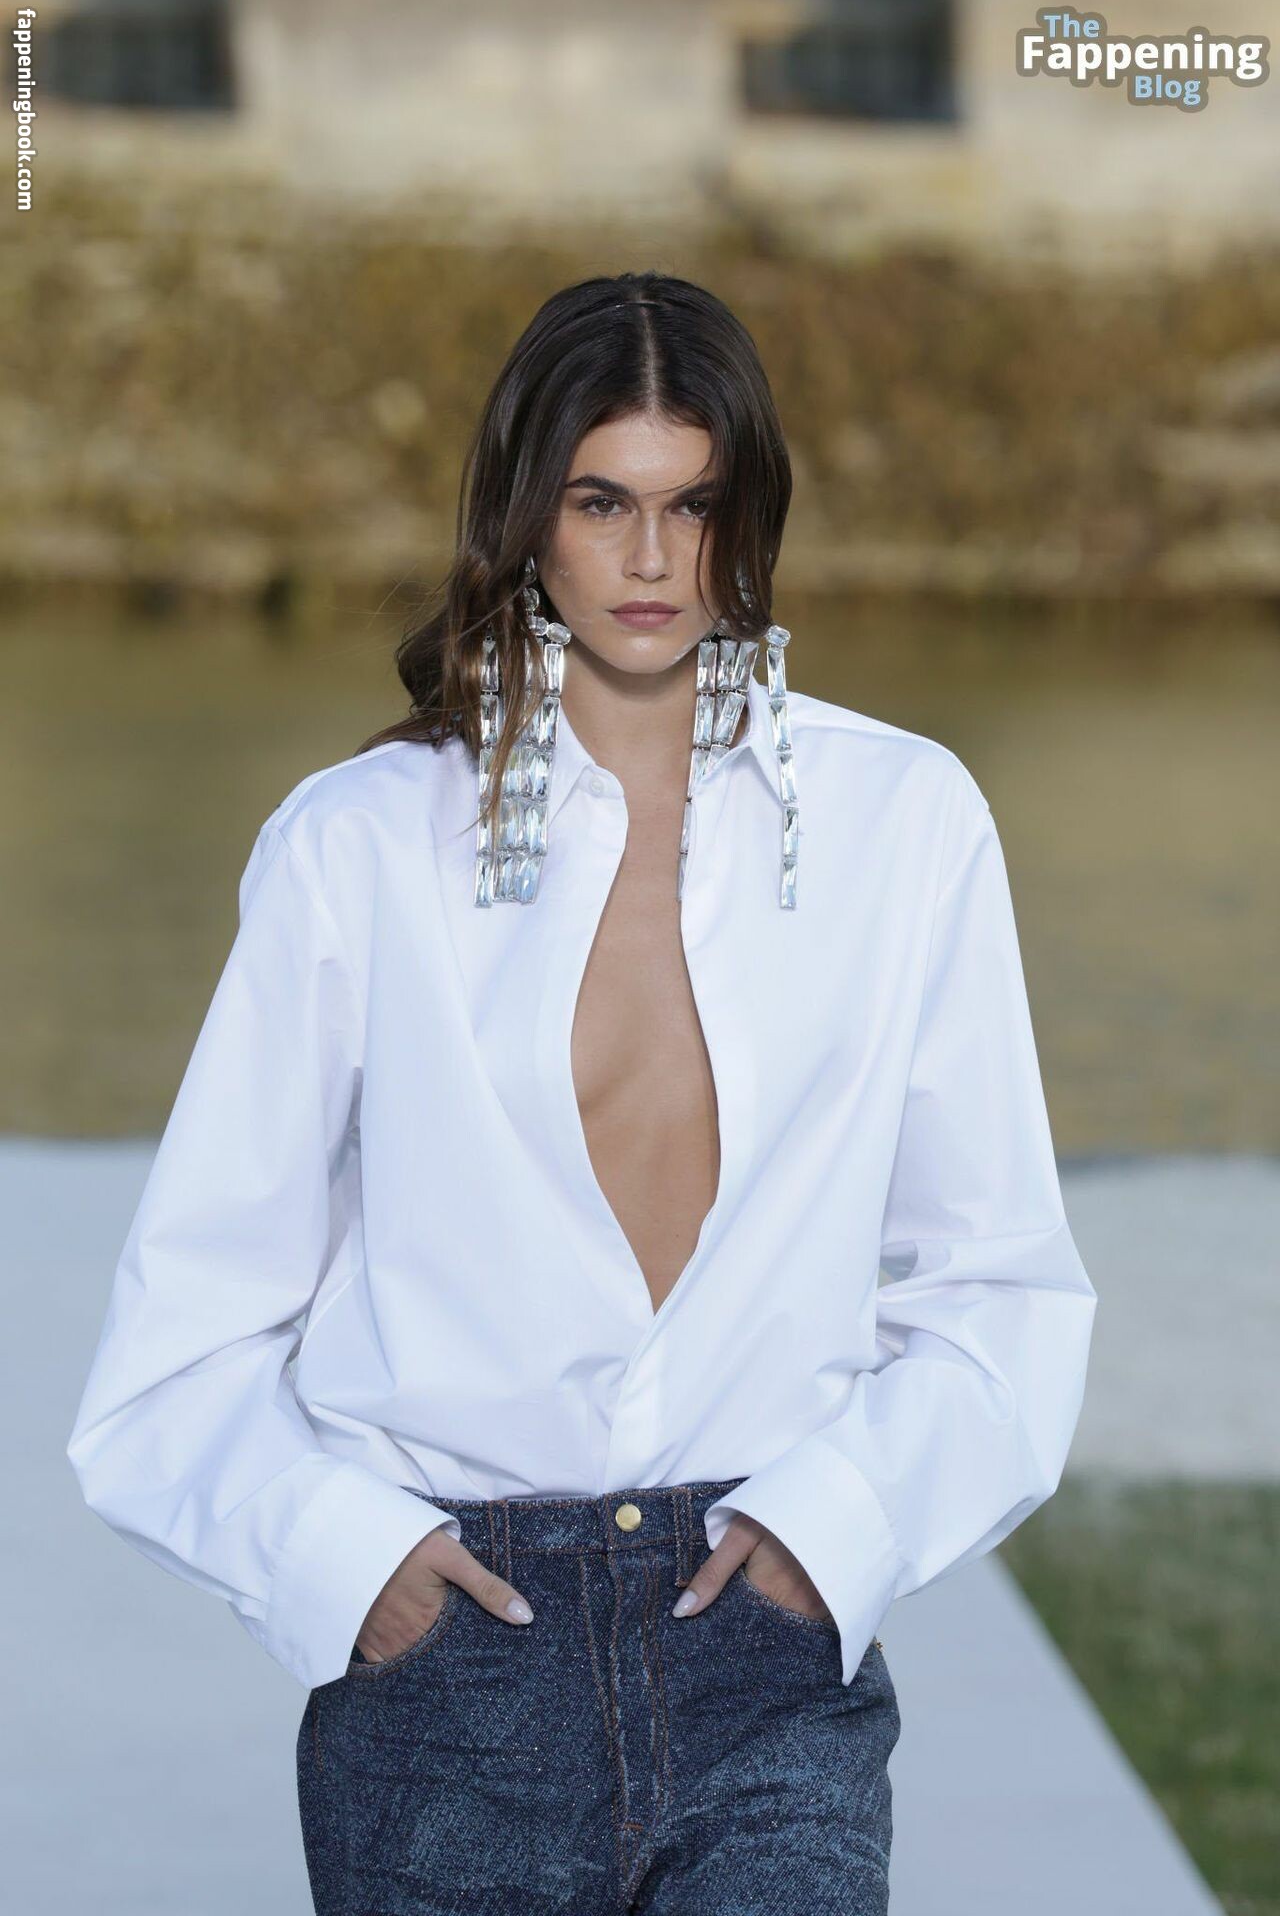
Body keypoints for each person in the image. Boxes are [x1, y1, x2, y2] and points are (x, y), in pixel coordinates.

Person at [67, 270, 1097, 1915]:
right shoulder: (357, 848)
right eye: (603, 501)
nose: (653, 558)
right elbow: (176, 1350)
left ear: (751, 515)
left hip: (768, 1656)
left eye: (698, 504)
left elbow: (1004, 1287)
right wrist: (350, 1566)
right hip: (452, 1679)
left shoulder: (906, 824)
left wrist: (841, 1527)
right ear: (526, 514)